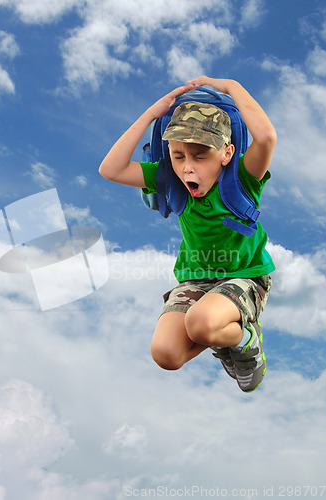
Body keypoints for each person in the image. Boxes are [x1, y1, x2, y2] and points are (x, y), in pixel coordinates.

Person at [99, 77, 276, 392]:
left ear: (226, 153)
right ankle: (224, 341)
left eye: (199, 156)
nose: (187, 169)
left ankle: (246, 341)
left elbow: (266, 136)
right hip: (195, 280)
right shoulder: (169, 179)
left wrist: (232, 86)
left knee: (200, 322)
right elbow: (110, 169)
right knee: (165, 354)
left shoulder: (243, 178)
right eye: (178, 156)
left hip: (245, 277)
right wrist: (151, 114)